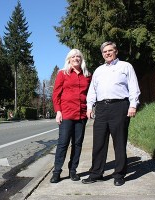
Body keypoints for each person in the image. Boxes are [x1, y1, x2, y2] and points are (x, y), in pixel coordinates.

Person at [82, 41, 140, 186]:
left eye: (110, 51)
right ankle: (96, 173)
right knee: (99, 142)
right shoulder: (98, 70)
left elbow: (134, 87)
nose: (107, 53)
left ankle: (119, 174)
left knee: (119, 142)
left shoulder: (125, 66)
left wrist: (133, 105)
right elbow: (92, 91)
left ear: (116, 51)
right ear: (102, 54)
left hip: (120, 106)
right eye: (104, 52)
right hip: (101, 108)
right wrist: (90, 107)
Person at [50, 49, 92, 183]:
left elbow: (91, 94)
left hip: (81, 115)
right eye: (73, 56)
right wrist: (58, 111)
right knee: (63, 144)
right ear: (69, 59)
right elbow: (56, 94)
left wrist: (90, 108)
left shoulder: (87, 75)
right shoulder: (62, 74)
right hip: (66, 114)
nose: (75, 58)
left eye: (78, 56)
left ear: (81, 59)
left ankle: (73, 171)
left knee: (77, 144)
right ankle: (57, 172)